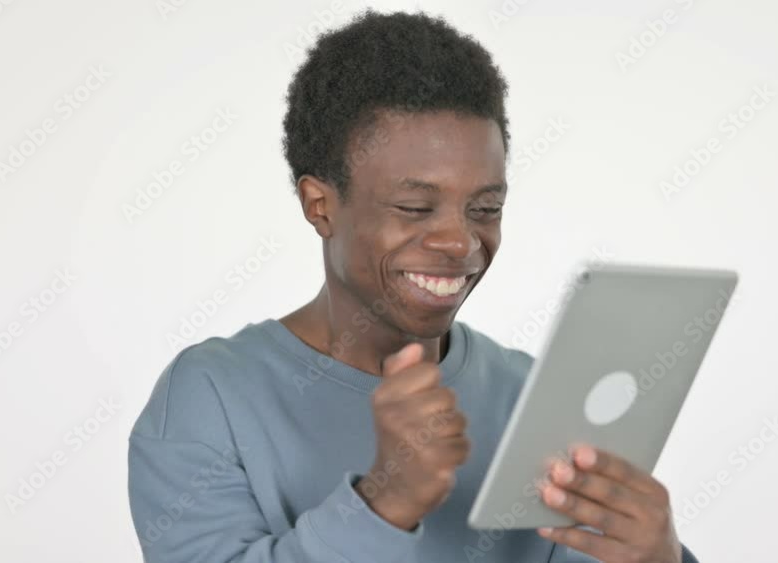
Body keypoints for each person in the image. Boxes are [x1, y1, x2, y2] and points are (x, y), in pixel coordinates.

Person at [128, 10, 700, 563]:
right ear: (320, 205)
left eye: (485, 207)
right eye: (415, 207)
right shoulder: (210, 397)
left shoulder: (534, 399)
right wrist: (385, 502)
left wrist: (660, 559)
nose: (460, 242)